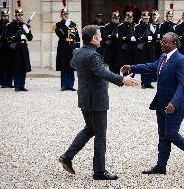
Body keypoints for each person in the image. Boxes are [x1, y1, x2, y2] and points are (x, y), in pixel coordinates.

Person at [59, 25, 139, 180]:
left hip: (84, 98)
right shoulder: (93, 56)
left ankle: (67, 156)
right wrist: (122, 79)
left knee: (90, 129)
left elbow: (73, 64)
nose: (101, 38)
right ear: (94, 38)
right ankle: (99, 171)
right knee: (100, 134)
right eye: (99, 35)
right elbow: (102, 72)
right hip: (96, 100)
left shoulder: (78, 52)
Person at [121, 32, 184, 175]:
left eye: (165, 42)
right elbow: (150, 66)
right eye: (162, 41)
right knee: (163, 135)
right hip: (161, 104)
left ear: (174, 44)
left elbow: (182, 86)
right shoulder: (163, 57)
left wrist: (174, 103)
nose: (162, 44)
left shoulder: (180, 60)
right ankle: (161, 166)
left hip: (175, 105)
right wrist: (132, 67)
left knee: (171, 133)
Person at [5, 1, 33, 92]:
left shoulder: (25, 25)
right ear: (16, 16)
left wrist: (27, 32)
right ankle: (17, 85)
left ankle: (22, 85)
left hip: (23, 47)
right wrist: (19, 37)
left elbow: (30, 38)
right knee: (17, 67)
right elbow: (9, 37)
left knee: (23, 67)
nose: (20, 16)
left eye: (21, 15)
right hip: (16, 48)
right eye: (19, 15)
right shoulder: (11, 25)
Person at [54, 0, 80, 91]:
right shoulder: (58, 24)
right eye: (64, 14)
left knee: (71, 66)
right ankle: (64, 85)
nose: (65, 16)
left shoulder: (73, 24)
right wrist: (65, 26)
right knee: (64, 66)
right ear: (61, 15)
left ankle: (71, 85)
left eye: (66, 14)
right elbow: (59, 34)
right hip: (63, 47)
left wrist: (77, 47)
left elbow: (77, 37)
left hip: (72, 47)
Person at [133, 5, 156, 89]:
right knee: (144, 66)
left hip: (150, 49)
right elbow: (137, 38)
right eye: (145, 18)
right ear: (142, 18)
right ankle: (143, 83)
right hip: (143, 49)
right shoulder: (138, 27)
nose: (146, 20)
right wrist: (148, 38)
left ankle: (148, 83)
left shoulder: (150, 26)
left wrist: (153, 33)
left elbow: (156, 36)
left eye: (147, 18)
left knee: (150, 65)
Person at [0, 2, 13, 88]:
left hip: (9, 48)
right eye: (4, 16)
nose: (5, 18)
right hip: (1, 49)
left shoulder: (10, 25)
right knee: (2, 66)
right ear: (1, 16)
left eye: (7, 16)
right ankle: (3, 82)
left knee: (10, 66)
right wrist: (2, 37)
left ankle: (9, 82)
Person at [116, 7, 136, 75]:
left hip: (132, 46)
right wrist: (128, 38)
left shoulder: (134, 25)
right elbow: (121, 37)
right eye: (129, 18)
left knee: (132, 61)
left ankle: (131, 73)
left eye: (131, 18)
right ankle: (125, 75)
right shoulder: (122, 26)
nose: (130, 20)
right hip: (125, 47)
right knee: (125, 61)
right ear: (126, 18)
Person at [102, 6, 121, 75]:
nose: (117, 20)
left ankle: (117, 75)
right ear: (112, 19)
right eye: (115, 19)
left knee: (118, 63)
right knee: (112, 63)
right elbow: (105, 36)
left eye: (118, 19)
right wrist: (114, 36)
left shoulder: (121, 26)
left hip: (119, 47)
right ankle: (112, 75)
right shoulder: (108, 26)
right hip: (111, 47)